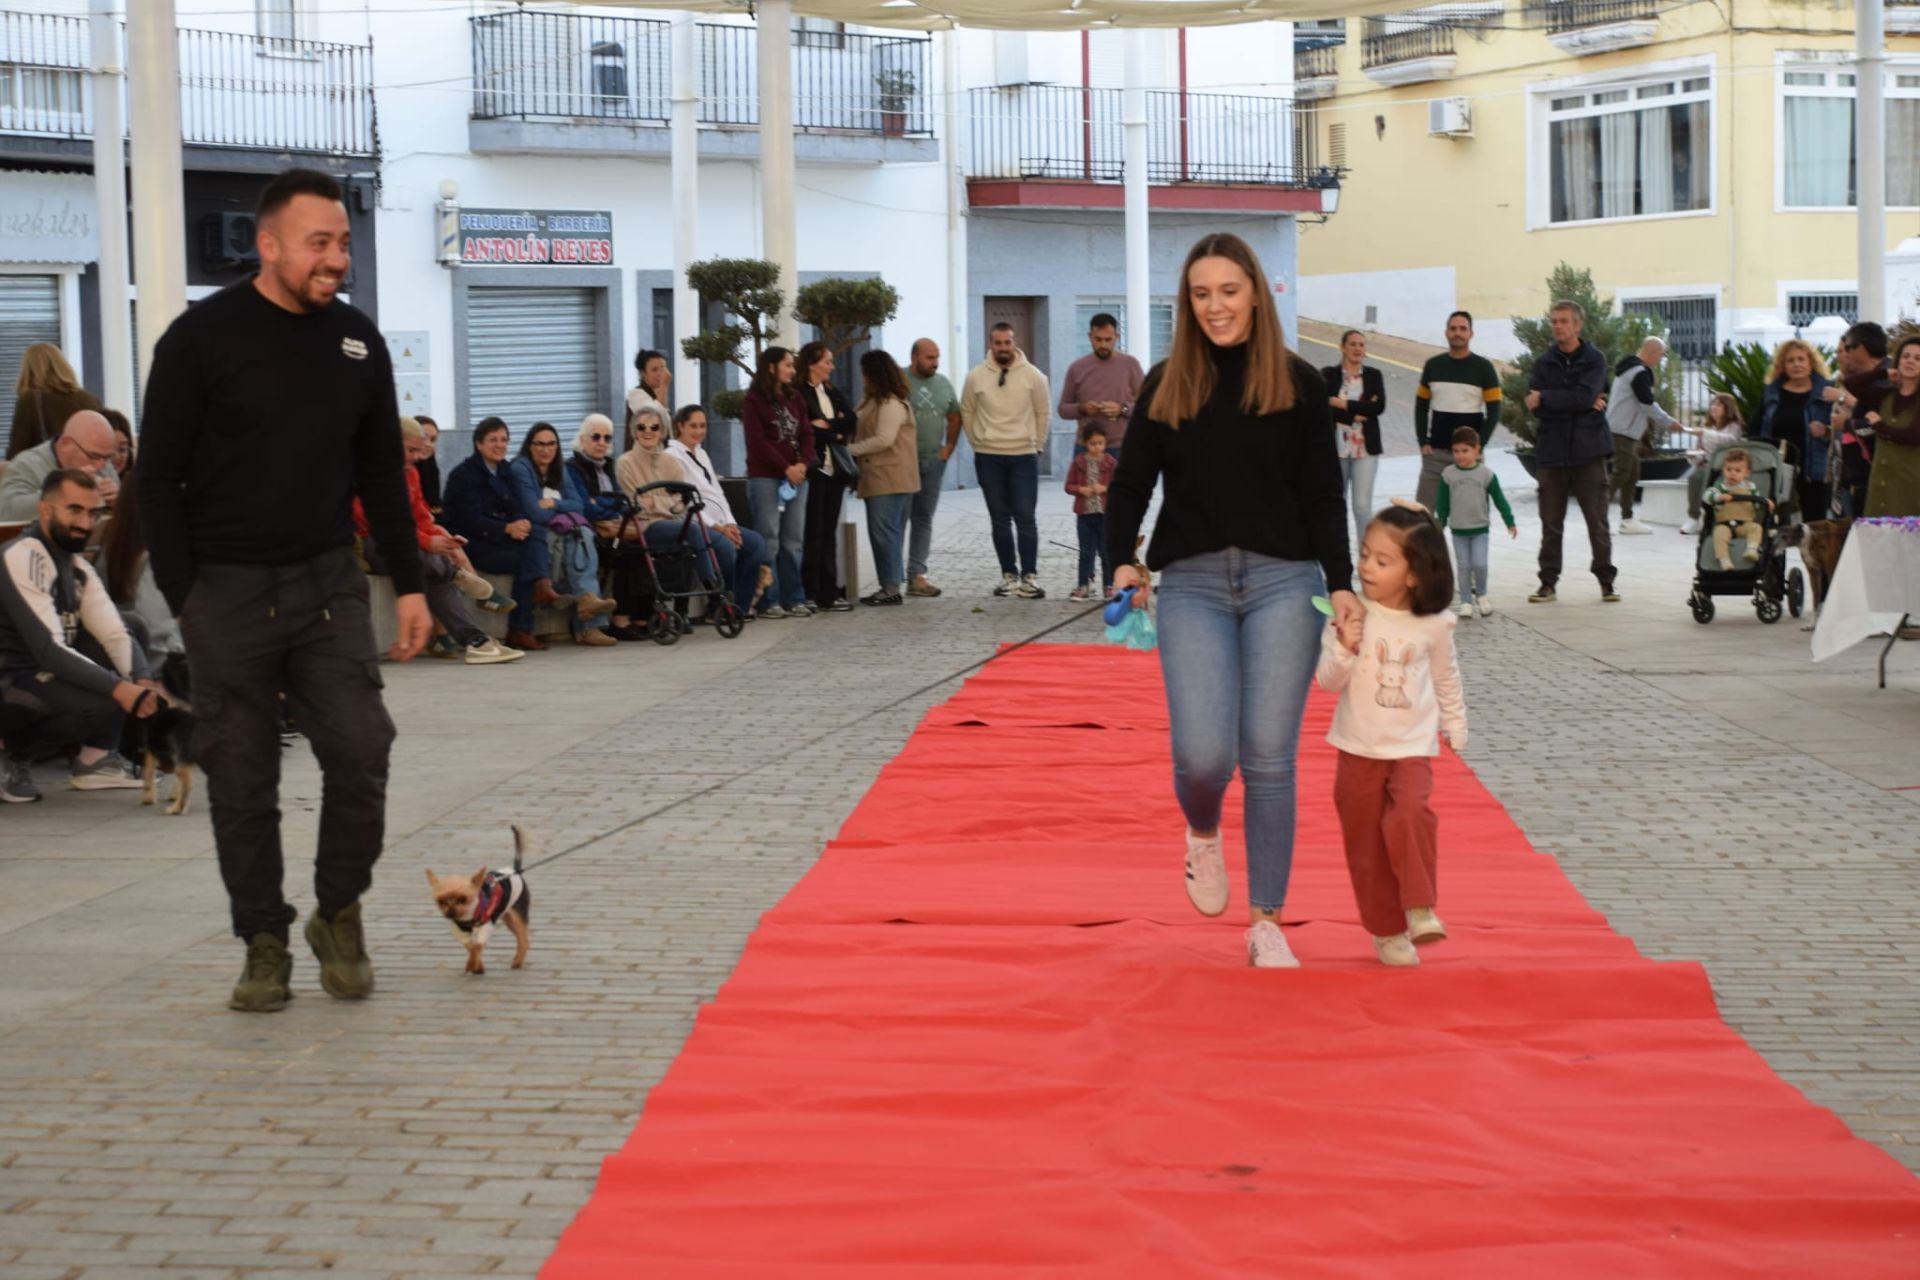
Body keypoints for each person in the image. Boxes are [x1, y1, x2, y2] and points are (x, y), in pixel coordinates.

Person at [135, 168, 432, 1014]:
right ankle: (263, 939)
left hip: (327, 582)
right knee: (241, 777)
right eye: (319, 243)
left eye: (341, 242)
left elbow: (381, 472)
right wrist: (190, 595)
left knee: (362, 748)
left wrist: (408, 585)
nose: (336, 257)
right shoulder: (200, 339)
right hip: (224, 591)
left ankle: (337, 911)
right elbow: (158, 481)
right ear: (268, 246)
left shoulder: (355, 342)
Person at [1106, 231, 1361, 970]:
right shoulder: (1166, 382)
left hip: (1287, 581)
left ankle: (1267, 920)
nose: (1215, 306)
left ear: (1256, 290)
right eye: (1200, 293)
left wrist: (1341, 583)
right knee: (1204, 755)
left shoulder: (1299, 384)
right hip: (1191, 586)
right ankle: (1203, 831)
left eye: (1228, 290)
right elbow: (1129, 485)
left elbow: (1322, 494)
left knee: (1270, 758)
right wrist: (1122, 559)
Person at [1315, 502, 1467, 968]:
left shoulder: (1435, 623)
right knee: (1364, 845)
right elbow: (1327, 681)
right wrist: (1344, 644)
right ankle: (1387, 929)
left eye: (1382, 560)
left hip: (1411, 746)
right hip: (1356, 746)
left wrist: (1455, 721)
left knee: (1410, 814)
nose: (1365, 567)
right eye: (1364, 555)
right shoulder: (1348, 612)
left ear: (1415, 574)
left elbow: (1446, 675)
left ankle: (1420, 905)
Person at [0, 470, 158, 803]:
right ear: (45, 510)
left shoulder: (75, 565)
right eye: (74, 510)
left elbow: (115, 633)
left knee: (133, 626)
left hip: (38, 673)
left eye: (93, 512)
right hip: (11, 680)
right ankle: (10, 753)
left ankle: (95, 761)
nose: (85, 523)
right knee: (104, 700)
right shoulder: (23, 555)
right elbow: (48, 650)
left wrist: (143, 681)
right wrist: (119, 688)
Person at [354, 417, 520, 665]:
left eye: (420, 451)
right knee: (422, 558)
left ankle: (477, 642)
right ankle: (457, 579)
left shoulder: (410, 473)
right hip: (372, 543)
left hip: (406, 544)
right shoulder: (367, 472)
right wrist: (426, 542)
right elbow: (379, 524)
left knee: (434, 570)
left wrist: (439, 538)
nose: (418, 457)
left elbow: (420, 515)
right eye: (411, 450)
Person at [442, 418, 573, 653]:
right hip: (473, 543)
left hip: (498, 538)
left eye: (504, 440)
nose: (500, 445)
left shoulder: (505, 470)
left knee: (535, 532)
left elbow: (515, 506)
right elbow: (468, 520)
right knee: (525, 560)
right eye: (493, 440)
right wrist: (505, 528)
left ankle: (539, 593)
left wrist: (520, 521)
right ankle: (523, 624)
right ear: (478, 444)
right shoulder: (464, 475)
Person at [1525, 300, 1617, 605]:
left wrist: (1549, 399)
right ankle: (1548, 582)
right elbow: (1536, 408)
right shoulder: (1543, 363)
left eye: (1564, 321)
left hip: (1589, 452)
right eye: (1554, 321)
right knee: (1550, 523)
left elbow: (1583, 395)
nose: (1558, 326)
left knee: (1597, 520)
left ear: (1577, 325)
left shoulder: (1595, 359)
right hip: (1552, 453)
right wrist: (1577, 404)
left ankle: (1606, 580)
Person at [617, 405, 737, 612]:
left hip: (674, 523)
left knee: (692, 531)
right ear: (633, 431)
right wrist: (664, 503)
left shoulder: (670, 462)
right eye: (642, 427)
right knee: (693, 530)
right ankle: (714, 588)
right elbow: (638, 505)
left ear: (661, 431)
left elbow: (681, 503)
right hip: (646, 527)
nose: (648, 431)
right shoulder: (625, 463)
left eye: (654, 427)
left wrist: (655, 502)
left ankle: (687, 608)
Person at [961, 322, 1051, 598]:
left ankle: (1030, 577)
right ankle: (1008, 575)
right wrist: (978, 441)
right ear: (990, 343)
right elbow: (967, 410)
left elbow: (1042, 413)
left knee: (1025, 517)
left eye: (1007, 342)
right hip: (989, 455)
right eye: (998, 343)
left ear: (1014, 342)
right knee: (999, 518)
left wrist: (1036, 444)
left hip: (1023, 455)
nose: (1003, 348)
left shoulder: (1034, 376)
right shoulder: (975, 377)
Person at [510, 422, 617, 648]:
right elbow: (534, 513)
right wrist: (560, 509)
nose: (546, 450)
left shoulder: (560, 468)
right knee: (577, 540)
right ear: (530, 445)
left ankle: (588, 610)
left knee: (584, 536)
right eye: (540, 444)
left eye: (551, 444)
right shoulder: (521, 467)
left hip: (565, 529)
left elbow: (578, 505)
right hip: (534, 533)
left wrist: (553, 503)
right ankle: (588, 622)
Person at [665, 403, 772, 618]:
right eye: (693, 426)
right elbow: (685, 501)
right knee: (726, 547)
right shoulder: (672, 456)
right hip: (697, 523)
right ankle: (721, 603)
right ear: (680, 426)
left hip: (721, 523)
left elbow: (718, 493)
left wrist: (730, 523)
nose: (698, 431)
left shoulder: (702, 453)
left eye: (702, 425)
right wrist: (718, 528)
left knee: (756, 544)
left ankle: (739, 606)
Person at [742, 346, 814, 619]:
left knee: (793, 540)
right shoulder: (754, 400)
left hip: (796, 477)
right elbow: (757, 442)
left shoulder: (795, 397)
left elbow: (807, 434)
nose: (793, 370)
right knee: (768, 538)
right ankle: (768, 599)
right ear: (771, 367)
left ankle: (794, 597)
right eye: (787, 365)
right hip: (766, 478)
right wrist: (785, 467)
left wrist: (802, 465)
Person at [846, 350, 918, 606]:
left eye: (865, 373)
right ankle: (890, 584)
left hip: (889, 476)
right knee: (887, 532)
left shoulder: (890, 404)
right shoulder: (871, 401)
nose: (862, 378)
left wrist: (848, 451)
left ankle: (890, 587)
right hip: (879, 476)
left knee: (883, 532)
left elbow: (883, 439)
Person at [1413, 312, 1502, 512]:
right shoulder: (1433, 365)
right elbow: (1421, 406)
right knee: (1423, 517)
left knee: (1472, 519)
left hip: (1470, 457)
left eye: (1463, 329)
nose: (1457, 333)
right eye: (1453, 328)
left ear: (1471, 333)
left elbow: (1495, 411)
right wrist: (1422, 441)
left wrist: (1479, 445)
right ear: (1446, 333)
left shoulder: (1484, 368)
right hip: (1435, 456)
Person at [569, 413, 647, 641]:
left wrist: (603, 502)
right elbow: (586, 508)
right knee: (625, 553)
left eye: (607, 438)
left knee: (643, 550)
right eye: (595, 437)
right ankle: (620, 620)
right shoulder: (573, 468)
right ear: (583, 440)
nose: (601, 442)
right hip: (594, 531)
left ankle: (641, 617)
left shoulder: (609, 466)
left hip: (614, 528)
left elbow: (622, 502)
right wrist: (610, 505)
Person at [796, 342, 857, 613]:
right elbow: (806, 429)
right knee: (813, 532)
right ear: (811, 363)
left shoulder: (831, 392)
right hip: (815, 469)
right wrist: (832, 430)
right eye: (827, 361)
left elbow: (851, 421)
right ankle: (810, 590)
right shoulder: (800, 393)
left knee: (829, 532)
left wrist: (828, 427)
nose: (832, 366)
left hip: (835, 470)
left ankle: (829, 592)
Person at [1435, 426, 1517, 617]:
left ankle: (1481, 595)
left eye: (1465, 451)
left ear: (1477, 450)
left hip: (1480, 529)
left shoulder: (1486, 474)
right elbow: (1442, 503)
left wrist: (1509, 521)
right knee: (1463, 566)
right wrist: (1440, 524)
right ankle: (1465, 601)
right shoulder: (1448, 475)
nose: (1460, 456)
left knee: (1480, 564)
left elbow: (1500, 499)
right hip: (1459, 531)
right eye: (1456, 451)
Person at [1755, 338, 1840, 522]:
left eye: (1801, 359)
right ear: (1782, 366)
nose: (1797, 364)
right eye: (1790, 360)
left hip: (1814, 470)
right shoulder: (1772, 392)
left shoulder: (1826, 392)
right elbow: (1755, 428)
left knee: (1815, 526)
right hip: (1778, 468)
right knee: (1774, 523)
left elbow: (1841, 428)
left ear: (1811, 363)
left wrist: (1826, 432)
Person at [903, 338, 961, 597]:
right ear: (915, 357)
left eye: (937, 357)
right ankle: (892, 578)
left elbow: (954, 415)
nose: (935, 362)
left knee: (923, 518)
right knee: (898, 519)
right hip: (903, 464)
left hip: (933, 462)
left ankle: (917, 575)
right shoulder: (899, 381)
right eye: (929, 357)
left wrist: (948, 447)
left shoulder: (943, 383)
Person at [1321, 329, 1387, 549]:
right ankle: (1337, 562)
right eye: (1353, 344)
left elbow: (1377, 407)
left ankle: (1367, 560)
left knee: (1362, 507)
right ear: (1342, 347)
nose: (1358, 348)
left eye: (1361, 344)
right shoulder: (1328, 375)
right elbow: (1322, 407)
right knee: (1335, 506)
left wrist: (1342, 404)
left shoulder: (1374, 376)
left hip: (1365, 450)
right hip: (1336, 449)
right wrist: (1355, 414)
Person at [1605, 336, 1677, 535]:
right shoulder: (1640, 372)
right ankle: (1598, 516)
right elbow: (1646, 403)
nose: (1660, 360)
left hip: (1623, 430)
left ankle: (1627, 520)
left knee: (1632, 473)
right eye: (1661, 356)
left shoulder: (1627, 369)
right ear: (1652, 352)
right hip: (1623, 431)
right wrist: (1669, 422)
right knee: (1621, 472)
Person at [0, 409, 122, 521]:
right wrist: (62, 490)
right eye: (93, 456)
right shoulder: (27, 465)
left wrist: (118, 502)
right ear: (65, 444)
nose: (100, 466)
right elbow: (9, 512)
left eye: (107, 457)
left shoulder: (105, 465)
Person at [1058, 312, 1144, 457]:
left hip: (1122, 446)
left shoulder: (1131, 365)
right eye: (1098, 339)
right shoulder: (1077, 368)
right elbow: (1063, 409)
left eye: (1108, 339)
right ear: (1090, 337)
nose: (1103, 345)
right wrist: (1082, 408)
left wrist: (1122, 408)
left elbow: (1147, 407)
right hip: (1087, 448)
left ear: (1116, 337)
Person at [1832, 322, 1893, 518]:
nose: (1844, 354)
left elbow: (1883, 425)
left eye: (1848, 347)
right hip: (1860, 478)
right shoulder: (1874, 377)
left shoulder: (1886, 381)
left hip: (1879, 479)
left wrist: (1847, 424)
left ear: (1861, 348)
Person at [7, 342, 102, 461]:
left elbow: (17, 451)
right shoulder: (90, 400)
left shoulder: (29, 400)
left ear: (29, 370)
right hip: (87, 473)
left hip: (46, 475)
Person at [1862, 332, 1920, 517]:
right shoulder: (1887, 394)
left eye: (1918, 358)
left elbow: (1914, 436)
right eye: (1906, 356)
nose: (1910, 361)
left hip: (1910, 485)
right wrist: (1883, 372)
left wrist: (1880, 427)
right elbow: (1852, 384)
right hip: (1881, 481)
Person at [1673, 393, 1745, 536]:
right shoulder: (1708, 427)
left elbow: (1729, 441)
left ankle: (1710, 519)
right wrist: (1693, 455)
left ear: (1728, 408)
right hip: (1705, 465)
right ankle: (1694, 518)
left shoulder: (1733, 427)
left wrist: (1704, 433)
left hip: (1724, 468)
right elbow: (1701, 451)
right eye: (1713, 404)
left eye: (1719, 405)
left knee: (1706, 479)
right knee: (1694, 477)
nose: (1714, 407)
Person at [1064, 423, 1117, 601]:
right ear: (1086, 443)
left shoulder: (1111, 463)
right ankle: (1083, 585)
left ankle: (1109, 586)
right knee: (1086, 552)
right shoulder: (1078, 462)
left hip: (1105, 515)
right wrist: (1081, 490)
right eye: (1093, 443)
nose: (1097, 447)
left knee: (1106, 552)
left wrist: (1105, 488)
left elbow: (1119, 485)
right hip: (1084, 516)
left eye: (1100, 443)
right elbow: (1068, 486)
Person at [1702, 448, 1772, 570]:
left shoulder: (1751, 487)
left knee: (1756, 528)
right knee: (1719, 535)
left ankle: (1752, 549)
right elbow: (1706, 496)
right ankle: (1724, 559)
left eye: (1737, 470)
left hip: (1744, 524)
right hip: (1724, 524)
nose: (1732, 473)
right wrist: (1718, 497)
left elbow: (1757, 502)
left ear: (1747, 473)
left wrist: (1766, 502)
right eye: (1728, 469)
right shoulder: (1721, 486)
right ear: (1723, 469)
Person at [625, 349, 672, 449]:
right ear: (643, 374)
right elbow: (654, 415)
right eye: (654, 370)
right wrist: (664, 386)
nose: (660, 373)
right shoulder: (636, 394)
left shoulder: (657, 395)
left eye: (663, 368)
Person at [413, 414, 443, 509]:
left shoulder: (431, 468)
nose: (428, 444)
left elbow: (434, 504)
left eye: (433, 440)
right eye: (423, 437)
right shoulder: (402, 470)